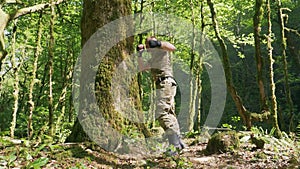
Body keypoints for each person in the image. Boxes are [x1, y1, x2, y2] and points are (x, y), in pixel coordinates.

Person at [136, 36, 186, 154]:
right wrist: (140, 54)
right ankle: (178, 143)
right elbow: (143, 68)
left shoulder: (163, 51)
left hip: (166, 82)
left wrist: (157, 43)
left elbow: (172, 47)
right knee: (169, 113)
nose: (148, 47)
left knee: (161, 113)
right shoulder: (153, 58)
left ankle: (175, 145)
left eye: (149, 44)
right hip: (163, 85)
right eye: (148, 46)